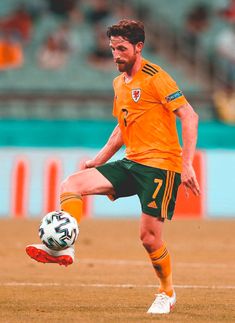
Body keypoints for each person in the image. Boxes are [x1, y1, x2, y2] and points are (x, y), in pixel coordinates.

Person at [26, 19, 200, 315]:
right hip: (132, 162)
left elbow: (190, 116)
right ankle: (63, 247)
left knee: (149, 238)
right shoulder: (118, 83)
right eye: (112, 49)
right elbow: (121, 128)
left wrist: (187, 165)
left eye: (122, 49)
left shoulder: (156, 77)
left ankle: (166, 292)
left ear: (138, 47)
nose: (116, 55)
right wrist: (99, 160)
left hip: (161, 166)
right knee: (72, 184)